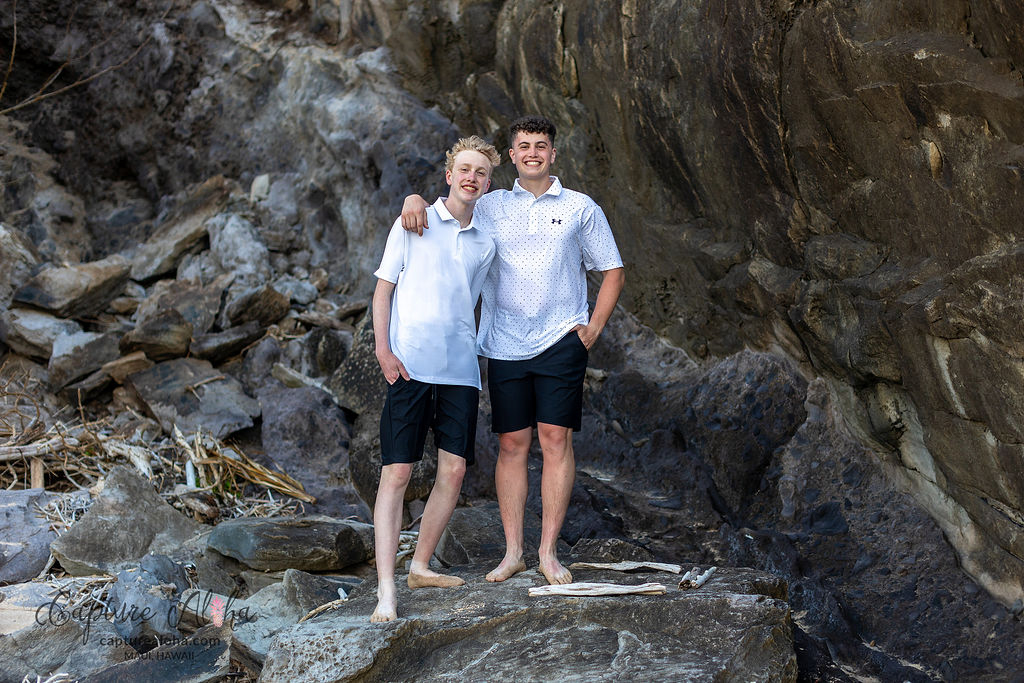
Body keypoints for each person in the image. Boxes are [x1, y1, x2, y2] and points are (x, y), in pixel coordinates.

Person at [400, 116, 625, 586]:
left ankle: (547, 553)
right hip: (503, 342)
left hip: (563, 337)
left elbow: (612, 269)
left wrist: (593, 329)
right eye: (523, 146)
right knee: (511, 444)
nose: (532, 153)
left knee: (555, 440)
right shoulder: (492, 205)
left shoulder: (581, 208)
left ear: (553, 154)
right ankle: (513, 553)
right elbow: (449, 208)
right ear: (513, 154)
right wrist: (413, 199)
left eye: (541, 146)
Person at [370, 136, 500, 623]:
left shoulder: (486, 241)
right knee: (398, 473)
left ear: (488, 182)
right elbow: (383, 291)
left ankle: (420, 566)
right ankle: (386, 590)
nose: (472, 177)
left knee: (453, 472)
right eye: (464, 169)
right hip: (410, 366)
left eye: (481, 172)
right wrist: (383, 349)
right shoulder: (412, 221)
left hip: (461, 373)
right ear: (449, 175)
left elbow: (480, 302)